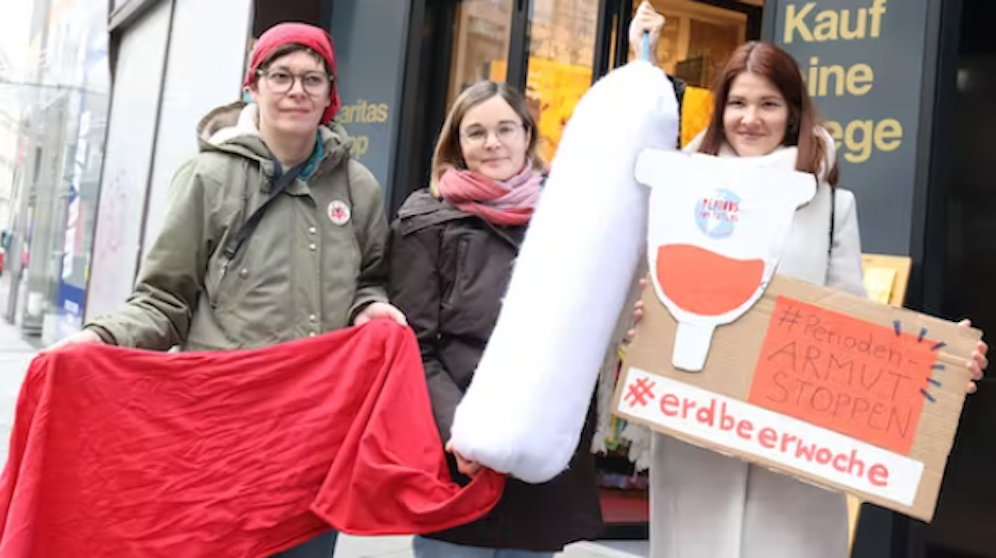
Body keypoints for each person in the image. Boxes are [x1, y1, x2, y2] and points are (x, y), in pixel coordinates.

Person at [628, 6, 990, 558]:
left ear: (793, 114)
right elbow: (650, 282)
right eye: (739, 103)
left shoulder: (828, 206)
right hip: (698, 425)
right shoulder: (684, 188)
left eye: (769, 104)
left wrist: (939, 361)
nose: (751, 118)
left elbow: (852, 319)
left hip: (790, 438)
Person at [51, 22, 405, 558]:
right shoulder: (207, 178)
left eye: (313, 79)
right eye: (281, 75)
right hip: (225, 434)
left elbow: (369, 280)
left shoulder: (359, 187)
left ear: (331, 95)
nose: (296, 90)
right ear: (253, 85)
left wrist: (370, 309)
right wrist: (100, 338)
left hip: (316, 439)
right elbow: (165, 298)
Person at [387, 81, 603, 558]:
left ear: (527, 134)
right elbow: (413, 346)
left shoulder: (568, 217)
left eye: (505, 128)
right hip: (458, 459)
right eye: (476, 132)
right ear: (457, 145)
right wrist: (460, 430)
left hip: (538, 453)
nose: (493, 143)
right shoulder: (425, 223)